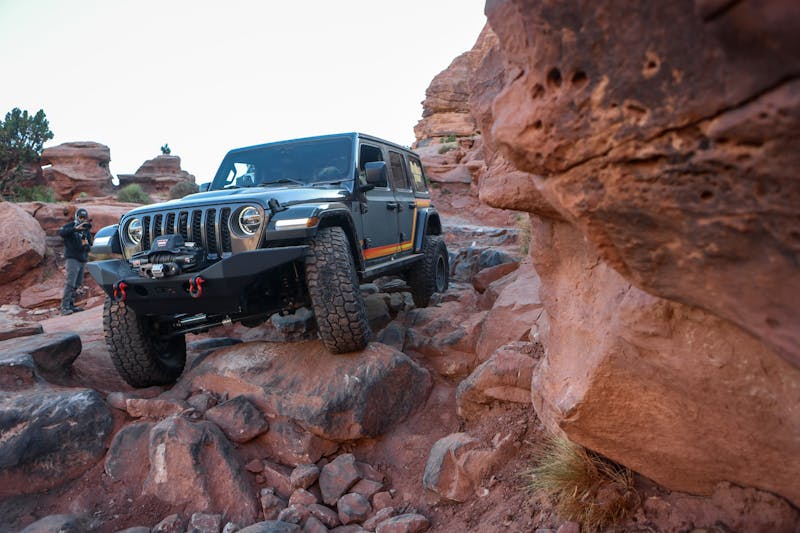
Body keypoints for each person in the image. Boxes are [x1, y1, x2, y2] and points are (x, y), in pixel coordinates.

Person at [59, 208, 93, 315]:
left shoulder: (86, 229)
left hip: (82, 259)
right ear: (77, 216)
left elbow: (89, 245)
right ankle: (64, 307)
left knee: (77, 284)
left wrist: (86, 245)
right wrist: (75, 228)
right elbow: (62, 232)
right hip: (72, 259)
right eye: (80, 217)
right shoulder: (70, 226)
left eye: (84, 217)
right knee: (70, 283)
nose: (82, 219)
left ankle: (71, 305)